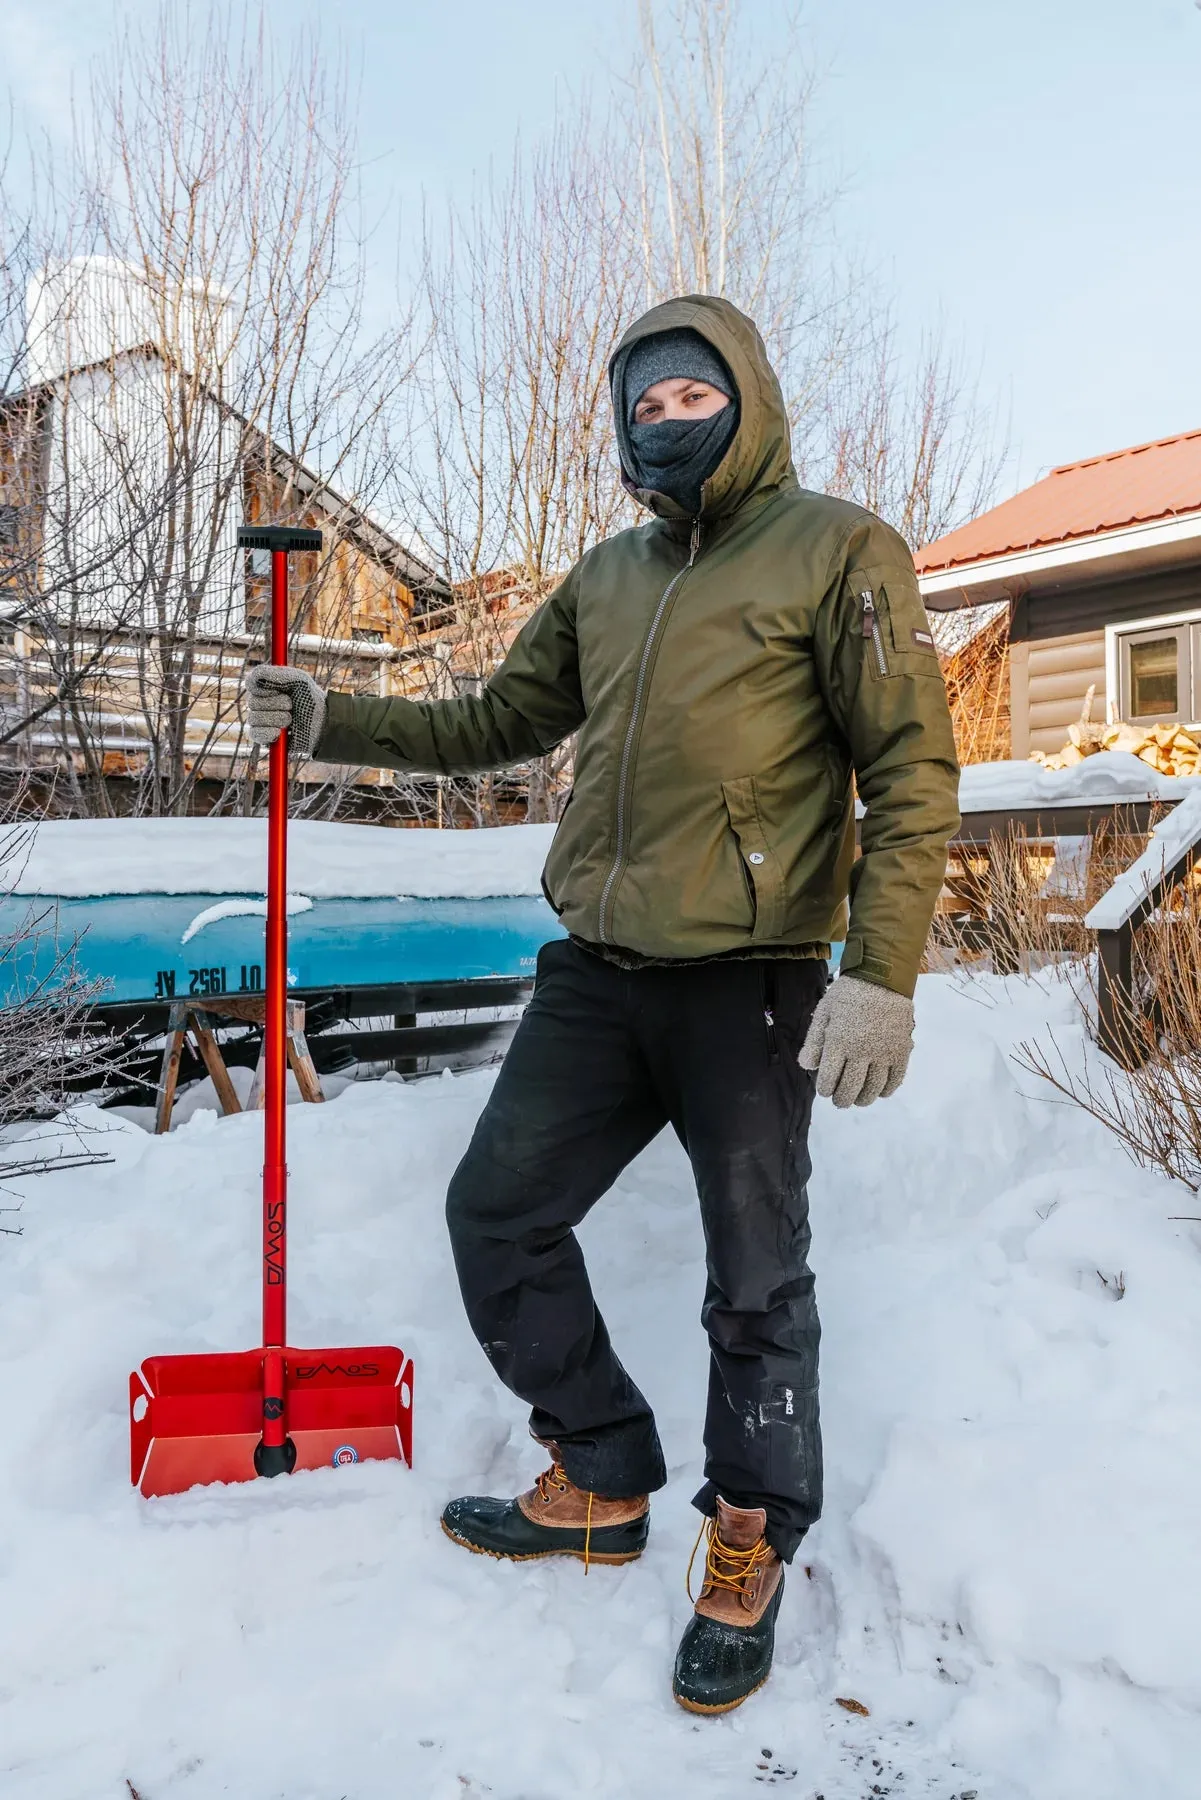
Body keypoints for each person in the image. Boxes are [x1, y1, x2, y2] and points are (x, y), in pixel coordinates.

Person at [244, 295, 960, 1715]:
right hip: (601, 973)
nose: (667, 419)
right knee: (498, 1212)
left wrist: (879, 971)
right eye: (646, 402)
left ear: (744, 401)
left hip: (749, 982)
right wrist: (338, 719)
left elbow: (912, 767)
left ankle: (747, 1536)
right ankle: (603, 1470)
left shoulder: (835, 549)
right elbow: (493, 723)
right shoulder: (611, 575)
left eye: (695, 397)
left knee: (757, 1281)